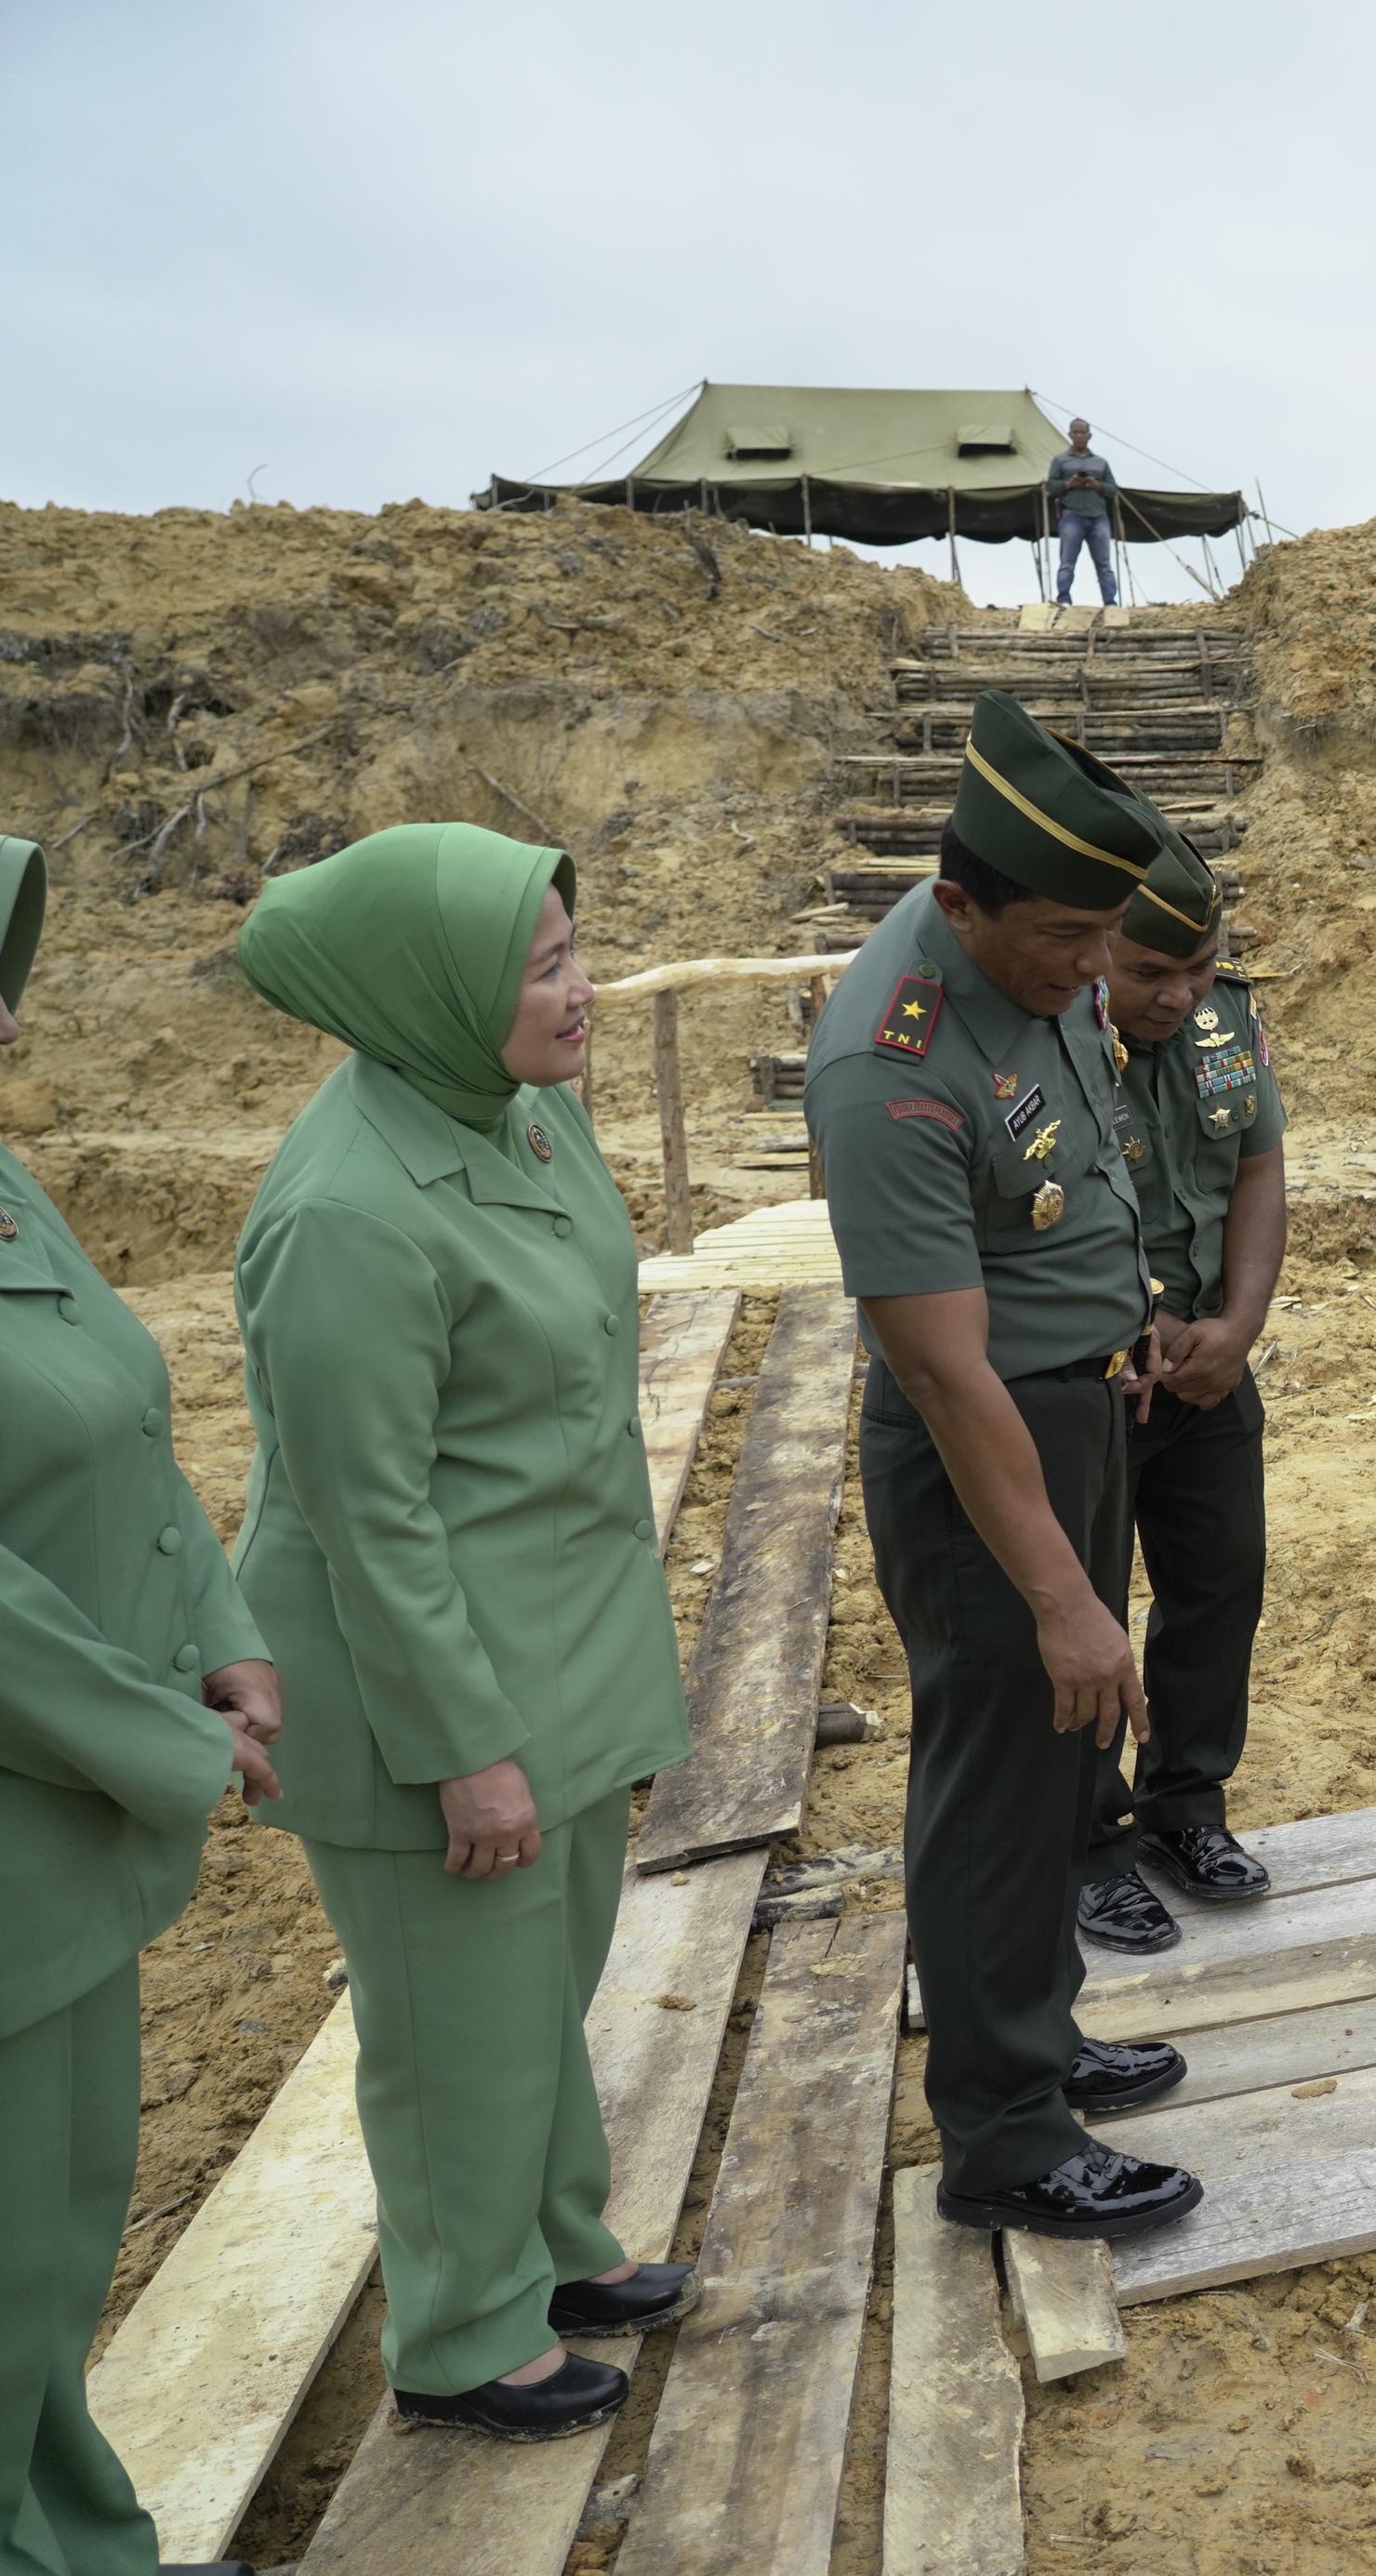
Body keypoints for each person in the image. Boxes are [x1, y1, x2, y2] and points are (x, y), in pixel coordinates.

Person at [231, 825, 692, 2441]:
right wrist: (465, 1748)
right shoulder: (347, 1213)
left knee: (539, 1987)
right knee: (453, 2029)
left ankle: (552, 2241)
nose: (583, 989)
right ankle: (461, 2328)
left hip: (557, 1634)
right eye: (545, 966)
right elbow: (366, 1517)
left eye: (575, 950)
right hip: (428, 1683)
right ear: (433, 992)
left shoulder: (515, 1106)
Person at [803, 691, 1203, 2240]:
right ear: (960, 904)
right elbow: (939, 1365)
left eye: (1107, 935)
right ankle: (1006, 2138)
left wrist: (1129, 1309)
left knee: (1055, 1766)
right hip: (983, 1449)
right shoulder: (888, 1060)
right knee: (996, 1777)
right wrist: (1058, 1595)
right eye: (1065, 940)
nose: (1095, 969)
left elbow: (1072, 1168)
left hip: (1077, 1406)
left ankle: (1035, 2034)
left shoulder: (1034, 949)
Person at [0, 834, 285, 2576]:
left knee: (47, 2250)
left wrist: (219, 1627)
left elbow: (120, 1424)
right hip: (32, 1819)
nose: (10, 1021)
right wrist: (178, 1740)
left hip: (64, 1847)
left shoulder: (6, 1184)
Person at [1070, 839, 1289, 1947]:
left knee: (1219, 1581)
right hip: (1085, 1375)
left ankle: (1183, 1808)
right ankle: (1082, 1842)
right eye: (1149, 971)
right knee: (1083, 1613)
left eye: (1198, 968)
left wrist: (1238, 1328)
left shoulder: (1225, 1021)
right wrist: (1131, 1319)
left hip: (1206, 1364)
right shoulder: (1045, 1034)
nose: (1179, 995)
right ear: (1097, 947)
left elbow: (1256, 1171)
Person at [1048, 418, 1119, 608]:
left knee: (1104, 563)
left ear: (1089, 436)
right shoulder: (1060, 460)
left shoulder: (1100, 462)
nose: (1079, 436)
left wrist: (1097, 485)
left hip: (1098, 516)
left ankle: (1110, 602)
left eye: (1082, 432)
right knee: (1067, 562)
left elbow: (1113, 489)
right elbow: (1050, 486)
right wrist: (1068, 484)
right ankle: (1064, 599)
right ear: (1070, 435)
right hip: (1072, 515)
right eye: (1076, 432)